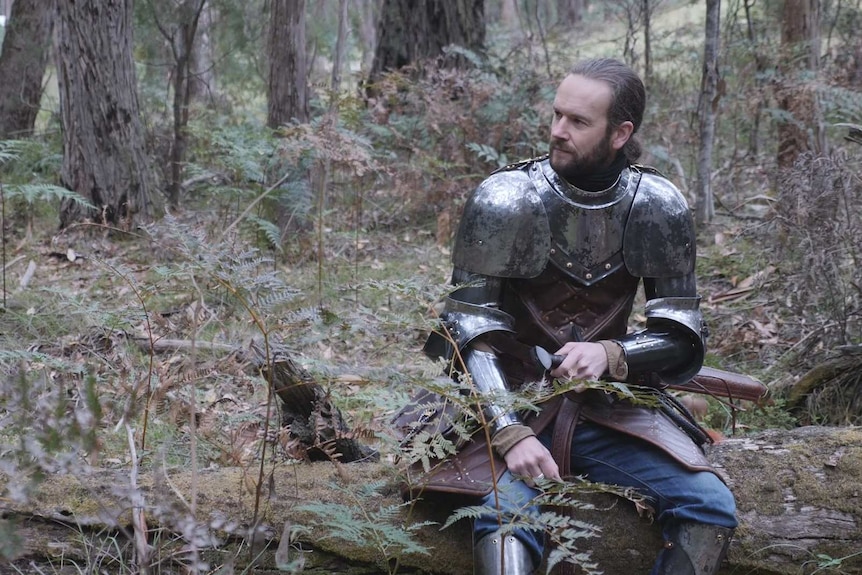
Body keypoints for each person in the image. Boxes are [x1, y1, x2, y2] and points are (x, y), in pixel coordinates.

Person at [416, 57, 738, 575]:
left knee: (709, 509)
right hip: (500, 401)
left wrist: (614, 352)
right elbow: (465, 330)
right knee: (507, 526)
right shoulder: (504, 198)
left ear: (620, 132)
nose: (558, 131)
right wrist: (508, 431)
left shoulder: (656, 205)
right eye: (557, 115)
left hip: (604, 409)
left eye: (578, 122)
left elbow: (681, 334)